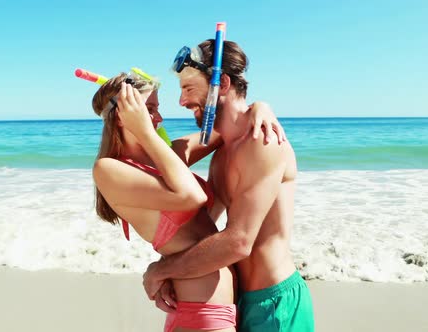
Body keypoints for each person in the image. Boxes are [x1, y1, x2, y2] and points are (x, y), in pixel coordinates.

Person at [91, 70, 286, 332]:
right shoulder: (109, 170)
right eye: (149, 109)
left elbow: (226, 130)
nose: (158, 118)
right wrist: (146, 133)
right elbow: (193, 196)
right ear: (123, 115)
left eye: (156, 108)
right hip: (201, 315)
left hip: (221, 311)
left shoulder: (167, 159)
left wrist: (262, 108)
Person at [142, 40, 315, 331]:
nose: (182, 102)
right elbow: (203, 225)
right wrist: (169, 273)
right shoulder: (223, 152)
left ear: (221, 83)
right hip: (239, 301)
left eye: (188, 89)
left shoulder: (263, 142)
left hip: (275, 306)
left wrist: (161, 270)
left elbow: (239, 241)